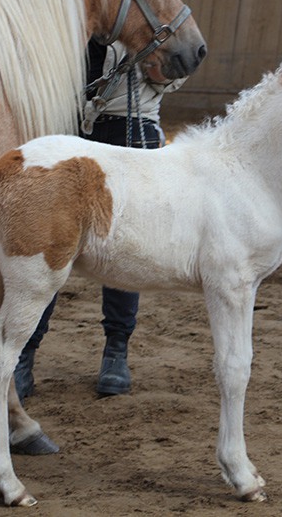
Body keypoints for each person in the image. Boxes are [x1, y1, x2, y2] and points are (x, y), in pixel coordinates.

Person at [13, 39, 186, 402]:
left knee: (128, 246)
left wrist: (148, 55)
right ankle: (25, 353)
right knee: (51, 247)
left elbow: (171, 69)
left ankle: (116, 351)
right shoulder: (88, 24)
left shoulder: (157, 23)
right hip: (78, 128)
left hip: (134, 130)